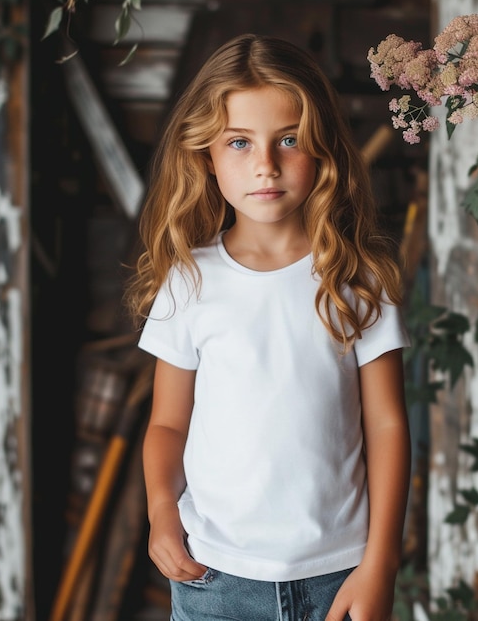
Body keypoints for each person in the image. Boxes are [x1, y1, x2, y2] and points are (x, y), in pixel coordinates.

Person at [125, 33, 411, 621]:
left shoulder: (357, 280)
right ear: (206, 156)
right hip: (215, 584)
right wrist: (160, 512)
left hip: (341, 577)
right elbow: (167, 423)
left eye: (288, 140)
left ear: (322, 149)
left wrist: (380, 563)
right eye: (239, 142)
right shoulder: (188, 282)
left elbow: (387, 425)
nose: (265, 165)